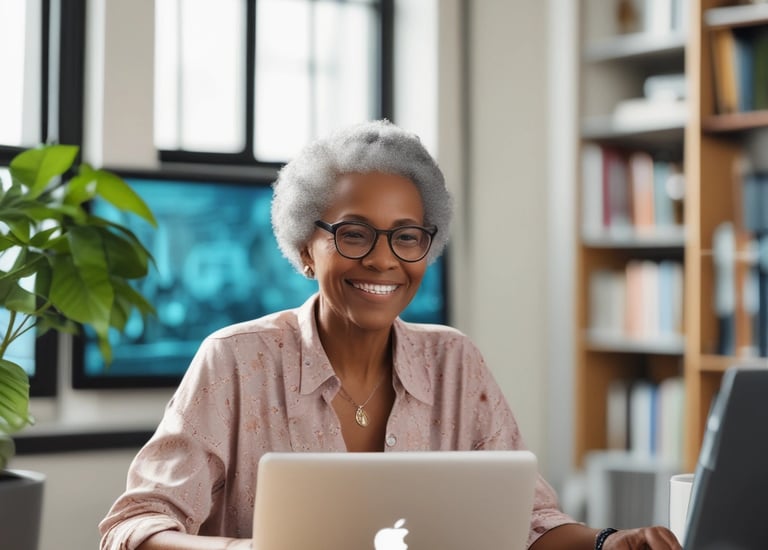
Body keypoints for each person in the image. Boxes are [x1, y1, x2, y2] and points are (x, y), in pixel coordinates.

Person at [99, 120, 681, 550]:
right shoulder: (234, 361)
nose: (383, 261)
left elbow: (529, 525)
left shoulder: (456, 361)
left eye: (407, 236)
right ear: (306, 248)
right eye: (354, 234)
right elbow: (133, 528)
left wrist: (611, 543)